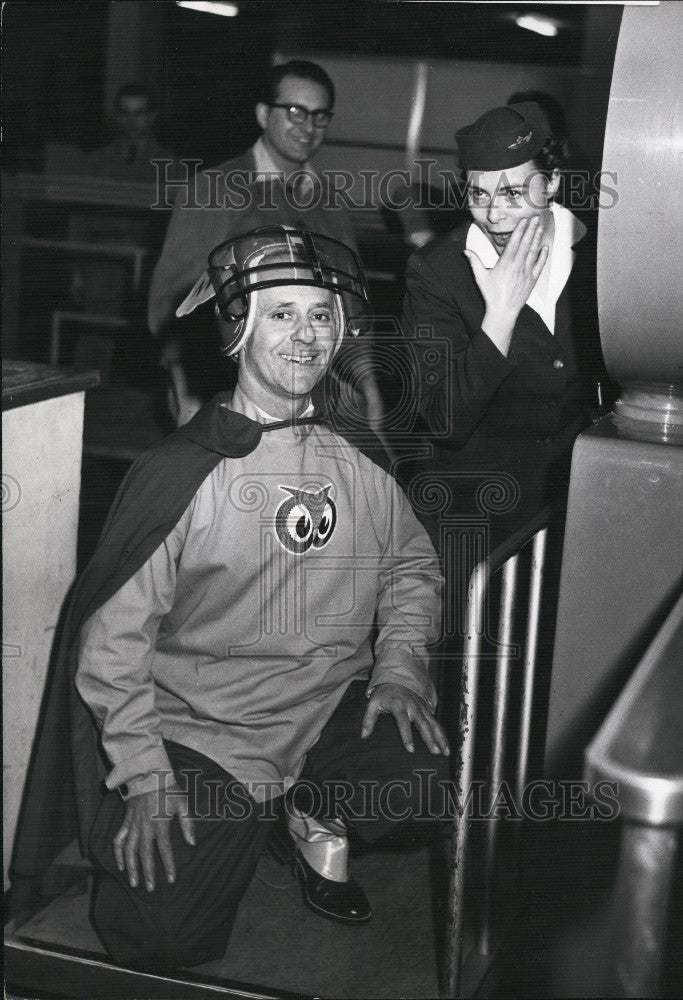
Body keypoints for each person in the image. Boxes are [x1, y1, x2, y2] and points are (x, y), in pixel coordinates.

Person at [66, 226, 449, 970]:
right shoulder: (178, 473)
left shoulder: (358, 456)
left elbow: (411, 565)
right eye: (281, 314)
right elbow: (112, 646)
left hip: (324, 710)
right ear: (237, 329)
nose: (305, 335)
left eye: (320, 315)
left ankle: (309, 806)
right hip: (211, 734)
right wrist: (146, 776)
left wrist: (400, 665)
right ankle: (248, 813)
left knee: (426, 781)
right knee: (156, 940)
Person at [396, 101, 607, 684]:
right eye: (479, 193)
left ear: (553, 183)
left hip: (571, 506)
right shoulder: (436, 272)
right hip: (471, 514)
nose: (493, 214)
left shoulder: (600, 254)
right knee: (467, 687)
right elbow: (443, 419)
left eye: (514, 192)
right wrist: (502, 312)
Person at [147, 60, 385, 449]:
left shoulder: (331, 202)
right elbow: (170, 303)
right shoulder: (214, 190)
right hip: (226, 388)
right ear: (262, 114)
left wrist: (365, 379)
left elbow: (350, 302)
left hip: (315, 386)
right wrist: (189, 391)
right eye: (295, 112)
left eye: (320, 116)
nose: (308, 127)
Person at [82, 82, 172, 182]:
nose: (131, 119)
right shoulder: (96, 161)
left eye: (139, 113)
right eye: (125, 112)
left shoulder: (169, 165)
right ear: (117, 116)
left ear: (152, 116)